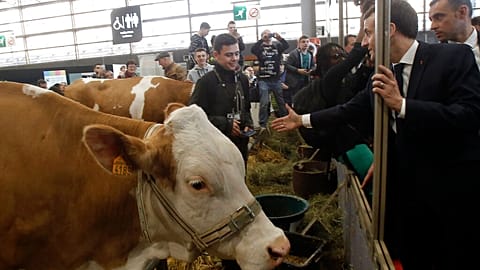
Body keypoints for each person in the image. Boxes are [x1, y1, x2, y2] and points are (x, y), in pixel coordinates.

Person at [272, 1, 480, 269]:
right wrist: (301, 120)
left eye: (368, 33)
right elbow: (349, 109)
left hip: (450, 188)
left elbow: (470, 115)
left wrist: (402, 105)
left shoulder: (452, 58)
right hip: (407, 188)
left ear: (389, 30)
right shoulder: (382, 74)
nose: (365, 42)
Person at [189, 33, 254, 167]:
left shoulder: (243, 79)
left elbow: (246, 107)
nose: (234, 58)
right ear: (216, 55)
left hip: (240, 142)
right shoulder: (206, 82)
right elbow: (194, 117)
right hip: (216, 147)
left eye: (237, 54)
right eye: (229, 55)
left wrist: (248, 122)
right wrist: (225, 123)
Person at [251, 29, 289, 134]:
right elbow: (253, 49)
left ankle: (285, 121)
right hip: (263, 80)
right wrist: (261, 40)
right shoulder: (260, 48)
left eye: (268, 34)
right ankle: (262, 125)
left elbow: (286, 46)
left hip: (276, 79)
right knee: (264, 102)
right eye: (264, 35)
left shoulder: (277, 46)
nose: (267, 36)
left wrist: (279, 38)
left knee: (280, 102)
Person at [429, 0, 480, 69]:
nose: (432, 27)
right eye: (431, 20)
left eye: (439, 18)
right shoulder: (433, 57)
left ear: (462, 12)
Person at [284, 35, 315, 107]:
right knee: (295, 99)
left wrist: (311, 70)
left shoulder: (310, 54)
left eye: (307, 42)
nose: (306, 44)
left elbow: (312, 65)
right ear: (299, 44)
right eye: (303, 42)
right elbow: (287, 65)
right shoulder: (293, 54)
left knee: (305, 99)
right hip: (295, 81)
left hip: (306, 80)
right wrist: (297, 70)